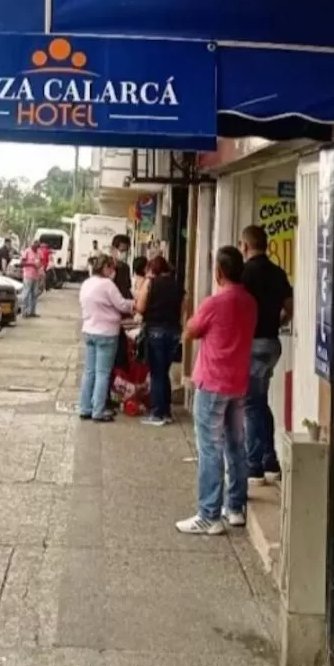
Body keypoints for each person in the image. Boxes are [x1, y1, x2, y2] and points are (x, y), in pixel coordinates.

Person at [176, 245, 257, 535]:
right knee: (236, 444)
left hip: (212, 383)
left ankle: (209, 514)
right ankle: (234, 507)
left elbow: (190, 331)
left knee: (210, 447)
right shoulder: (249, 302)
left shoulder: (214, 302)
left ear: (219, 272)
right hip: (238, 383)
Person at [239, 224, 292, 487]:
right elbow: (289, 307)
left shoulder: (244, 274)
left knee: (250, 404)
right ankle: (270, 461)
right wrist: (277, 321)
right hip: (272, 343)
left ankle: (254, 465)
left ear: (245, 246)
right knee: (260, 402)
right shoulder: (278, 273)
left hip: (252, 344)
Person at [78, 255, 134, 421]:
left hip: (89, 331)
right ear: (106, 268)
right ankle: (98, 410)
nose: (113, 271)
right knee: (103, 373)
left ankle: (85, 408)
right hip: (107, 333)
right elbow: (121, 304)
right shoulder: (107, 285)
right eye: (112, 268)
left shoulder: (87, 283)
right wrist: (134, 304)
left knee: (89, 372)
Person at [136, 254, 184, 426]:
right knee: (165, 372)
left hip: (155, 330)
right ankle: (166, 411)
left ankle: (157, 413)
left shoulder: (151, 283)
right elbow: (184, 309)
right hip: (173, 331)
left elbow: (140, 307)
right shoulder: (177, 285)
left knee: (156, 372)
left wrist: (145, 283)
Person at [21, 243, 41, 319]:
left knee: (35, 294)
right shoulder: (27, 251)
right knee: (26, 293)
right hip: (28, 275)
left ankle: (32, 311)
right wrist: (32, 264)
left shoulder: (38, 252)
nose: (36, 249)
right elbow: (22, 263)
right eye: (35, 248)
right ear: (32, 246)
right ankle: (24, 311)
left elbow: (40, 261)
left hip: (36, 275)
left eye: (37, 248)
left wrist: (39, 266)